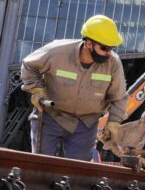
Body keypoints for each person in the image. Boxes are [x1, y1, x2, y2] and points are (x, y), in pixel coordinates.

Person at [21, 14, 128, 161]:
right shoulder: (58, 52)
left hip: (85, 125)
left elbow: (119, 96)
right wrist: (37, 90)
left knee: (79, 173)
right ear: (89, 43)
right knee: (40, 166)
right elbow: (29, 65)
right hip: (51, 117)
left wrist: (114, 123)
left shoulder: (113, 64)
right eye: (104, 48)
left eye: (111, 48)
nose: (109, 53)